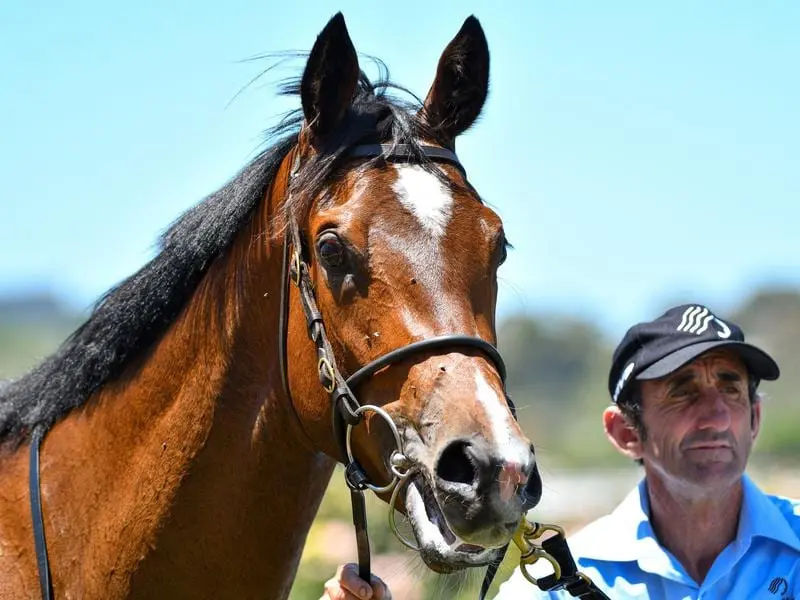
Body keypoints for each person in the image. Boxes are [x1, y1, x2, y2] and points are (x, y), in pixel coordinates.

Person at [320, 304, 800, 600]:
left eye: (732, 389)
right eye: (682, 390)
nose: (716, 415)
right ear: (625, 432)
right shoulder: (554, 585)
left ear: (755, 418)